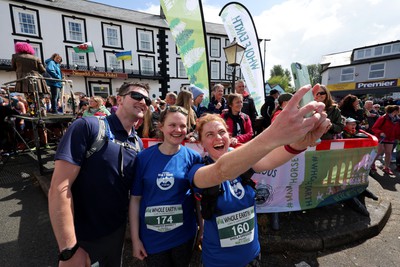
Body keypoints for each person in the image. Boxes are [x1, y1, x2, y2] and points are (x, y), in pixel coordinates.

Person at [186, 85, 330, 267]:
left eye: (222, 132)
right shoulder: (197, 170)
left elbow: (271, 159)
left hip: (252, 255)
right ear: (201, 143)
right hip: (219, 261)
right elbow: (222, 171)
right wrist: (273, 134)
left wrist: (301, 144)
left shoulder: (244, 159)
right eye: (210, 134)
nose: (218, 138)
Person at [48, 82, 151, 266]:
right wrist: (69, 249)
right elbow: (59, 187)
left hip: (114, 236)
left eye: (147, 99)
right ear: (119, 99)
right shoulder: (87, 126)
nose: (143, 101)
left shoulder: (137, 143)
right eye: (136, 96)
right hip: (82, 240)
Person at [129, 105, 203, 267]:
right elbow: (135, 199)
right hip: (152, 238)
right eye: (172, 125)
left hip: (183, 236)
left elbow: (197, 199)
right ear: (161, 126)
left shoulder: (194, 158)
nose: (178, 130)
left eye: (183, 126)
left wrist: (201, 228)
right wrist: (135, 240)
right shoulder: (143, 158)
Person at [371, 105, 400, 175]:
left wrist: (398, 137)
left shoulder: (398, 119)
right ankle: (371, 164)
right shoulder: (383, 118)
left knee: (388, 153)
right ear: (395, 111)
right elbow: (374, 128)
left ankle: (386, 167)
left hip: (390, 138)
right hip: (381, 137)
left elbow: (397, 130)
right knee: (379, 151)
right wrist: (380, 132)